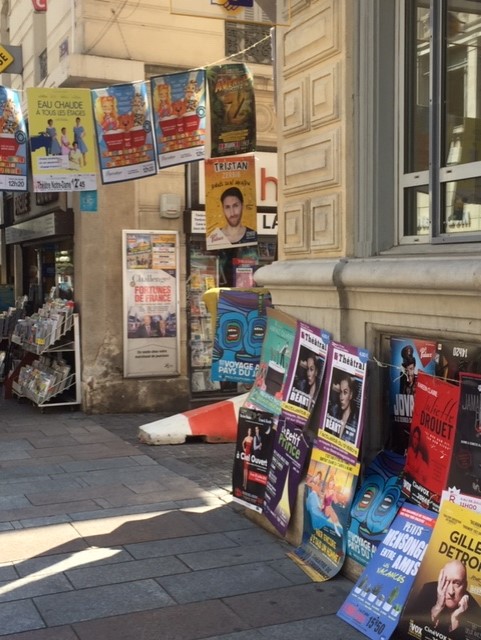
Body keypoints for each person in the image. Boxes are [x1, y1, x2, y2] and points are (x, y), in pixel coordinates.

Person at [404, 560, 480, 640]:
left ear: (465, 586)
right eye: (446, 582)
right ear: (440, 580)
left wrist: (455, 621)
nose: (451, 591)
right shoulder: (427, 590)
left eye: (457, 583)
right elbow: (408, 630)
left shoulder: (476, 612)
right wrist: (438, 606)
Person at [329, 373, 359, 443]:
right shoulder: (335, 413)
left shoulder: (355, 421)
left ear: (351, 395)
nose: (341, 397)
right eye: (340, 392)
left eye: (345, 392)